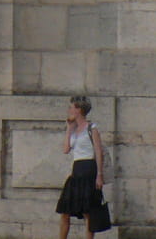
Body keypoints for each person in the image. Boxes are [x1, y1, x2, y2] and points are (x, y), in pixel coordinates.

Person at [55, 95, 103, 239]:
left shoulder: (91, 128)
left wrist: (99, 175)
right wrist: (69, 129)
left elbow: (98, 151)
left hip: (88, 168)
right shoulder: (74, 128)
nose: (69, 110)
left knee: (88, 212)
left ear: (79, 110)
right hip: (76, 170)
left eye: (72, 107)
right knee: (65, 211)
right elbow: (65, 149)